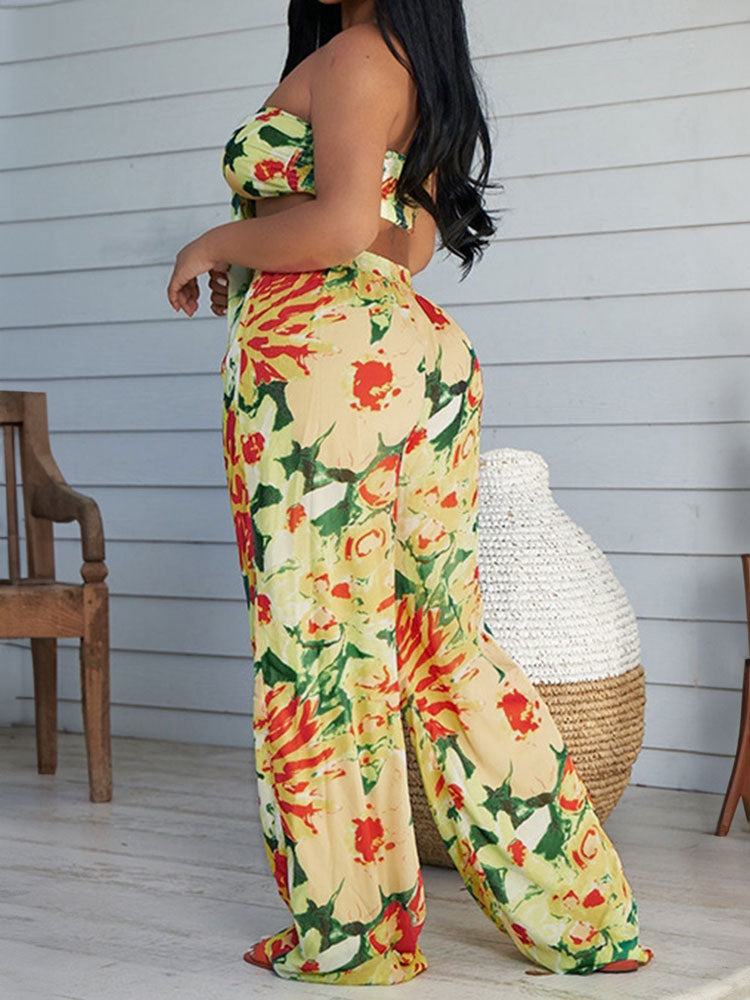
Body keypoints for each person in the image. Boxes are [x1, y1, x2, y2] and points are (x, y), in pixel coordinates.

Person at [166, 0, 655, 986]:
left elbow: (342, 222)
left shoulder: (356, 54)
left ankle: (356, 934)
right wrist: (266, 252)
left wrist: (216, 244)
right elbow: (402, 245)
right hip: (410, 353)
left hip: (321, 369)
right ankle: (584, 917)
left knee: (318, 645)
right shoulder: (417, 69)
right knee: (442, 640)